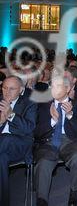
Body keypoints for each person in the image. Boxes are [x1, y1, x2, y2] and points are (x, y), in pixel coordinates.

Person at [34, 76, 77, 206]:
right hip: (48, 141)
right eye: (52, 86)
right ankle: (42, 200)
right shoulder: (43, 105)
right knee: (43, 162)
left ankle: (74, 192)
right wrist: (53, 121)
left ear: (68, 88)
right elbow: (37, 133)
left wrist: (70, 115)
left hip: (70, 141)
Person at [0, 76, 37, 206]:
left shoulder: (30, 102)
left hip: (21, 145)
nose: (7, 92)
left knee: (6, 138)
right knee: (1, 159)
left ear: (21, 90)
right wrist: (1, 122)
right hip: (3, 149)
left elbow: (29, 128)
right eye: (4, 88)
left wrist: (10, 114)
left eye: (11, 89)